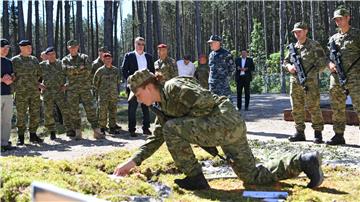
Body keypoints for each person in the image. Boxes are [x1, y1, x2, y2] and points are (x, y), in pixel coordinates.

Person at [113, 69, 324, 190]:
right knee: (251, 176)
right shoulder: (163, 107)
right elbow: (157, 137)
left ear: (149, 87)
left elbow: (205, 101)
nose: (139, 101)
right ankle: (304, 161)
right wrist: (131, 163)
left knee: (172, 128)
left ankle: (195, 178)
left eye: (139, 95)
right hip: (229, 126)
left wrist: (191, 127)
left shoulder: (174, 88)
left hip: (223, 122)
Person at [283, 22, 326, 144]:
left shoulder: (314, 45)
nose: (297, 34)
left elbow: (322, 62)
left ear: (306, 31)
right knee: (296, 108)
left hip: (310, 83)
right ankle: (299, 132)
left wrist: (311, 73)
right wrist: (289, 67)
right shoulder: (293, 48)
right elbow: (285, 62)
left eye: (299, 31)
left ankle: (318, 133)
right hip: (295, 83)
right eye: (295, 32)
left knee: (313, 107)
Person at [326, 8, 360, 145]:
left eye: (340, 18)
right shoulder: (333, 39)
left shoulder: (357, 35)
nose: (338, 21)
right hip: (337, 78)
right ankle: (338, 135)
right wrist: (329, 65)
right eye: (336, 19)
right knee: (337, 106)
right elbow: (327, 58)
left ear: (348, 18)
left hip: (355, 77)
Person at [61, 40, 104, 140]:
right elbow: (66, 71)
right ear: (68, 48)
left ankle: (97, 132)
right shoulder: (65, 59)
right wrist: (80, 68)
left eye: (75, 47)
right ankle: (78, 132)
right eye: (71, 47)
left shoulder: (84, 57)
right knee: (74, 111)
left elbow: (88, 70)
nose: (73, 49)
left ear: (78, 47)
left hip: (85, 88)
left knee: (91, 109)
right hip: (72, 89)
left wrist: (74, 70)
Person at [11, 40, 43, 145]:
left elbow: (39, 74)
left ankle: (33, 135)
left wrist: (37, 85)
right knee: (21, 114)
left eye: (31, 47)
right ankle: (21, 137)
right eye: (28, 47)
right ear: (21, 48)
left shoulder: (34, 60)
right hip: (21, 92)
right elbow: (12, 76)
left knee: (35, 113)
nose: (30, 49)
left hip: (34, 92)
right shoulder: (14, 60)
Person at [122, 37, 154, 137]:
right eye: (138, 44)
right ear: (135, 44)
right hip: (133, 87)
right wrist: (131, 81)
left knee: (146, 108)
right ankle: (132, 129)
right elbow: (124, 70)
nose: (140, 46)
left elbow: (152, 71)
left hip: (146, 87)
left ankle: (146, 128)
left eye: (142, 44)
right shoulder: (129, 56)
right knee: (132, 108)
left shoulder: (148, 57)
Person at [40, 47, 74, 140]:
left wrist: (66, 86)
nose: (52, 56)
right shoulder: (42, 65)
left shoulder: (62, 64)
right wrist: (40, 85)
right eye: (49, 54)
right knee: (48, 112)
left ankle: (69, 130)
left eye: (53, 54)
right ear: (46, 56)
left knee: (65, 110)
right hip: (48, 92)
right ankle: (52, 132)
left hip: (60, 91)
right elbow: (33, 76)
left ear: (56, 54)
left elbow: (72, 76)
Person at [93, 53, 122, 135]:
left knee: (113, 112)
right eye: (106, 59)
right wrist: (99, 93)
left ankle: (112, 127)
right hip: (103, 96)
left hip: (113, 95)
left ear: (111, 59)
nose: (108, 60)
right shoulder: (100, 71)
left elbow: (118, 82)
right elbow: (95, 83)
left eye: (109, 59)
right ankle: (102, 128)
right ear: (103, 60)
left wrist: (117, 93)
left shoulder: (116, 70)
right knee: (102, 112)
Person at [1, 39, 16, 151]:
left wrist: (11, 79)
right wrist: (2, 79)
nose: (6, 50)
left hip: (8, 94)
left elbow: (12, 75)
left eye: (7, 48)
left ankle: (4, 142)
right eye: (4, 48)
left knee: (7, 119)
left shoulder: (8, 61)